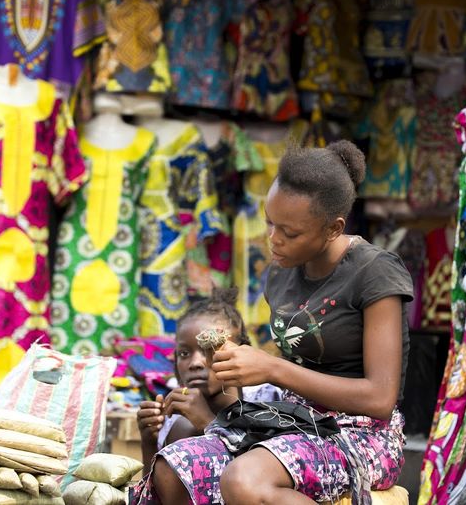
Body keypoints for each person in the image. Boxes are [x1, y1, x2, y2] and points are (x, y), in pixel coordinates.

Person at [149, 140, 414, 504]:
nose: (273, 240)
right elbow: (292, 367)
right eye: (270, 223)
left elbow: (380, 398)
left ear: (333, 229)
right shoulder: (281, 273)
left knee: (245, 481)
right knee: (175, 468)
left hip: (361, 434)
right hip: (290, 423)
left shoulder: (375, 273)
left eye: (289, 233)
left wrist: (272, 368)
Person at [135, 288, 281, 476]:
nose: (195, 363)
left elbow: (259, 478)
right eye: (184, 353)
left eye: (209, 349)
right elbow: (155, 497)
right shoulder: (175, 424)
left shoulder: (267, 403)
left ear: (241, 352)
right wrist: (149, 441)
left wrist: (206, 422)